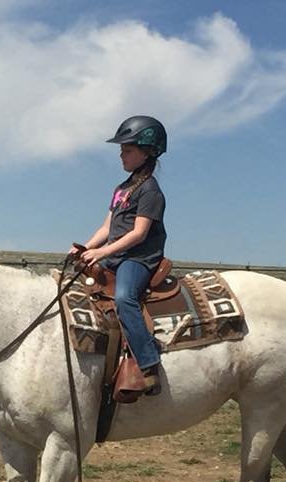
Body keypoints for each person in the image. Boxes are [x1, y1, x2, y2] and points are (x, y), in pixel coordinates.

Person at [72, 115, 168, 396]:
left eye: (127, 150)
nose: (121, 154)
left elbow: (138, 234)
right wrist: (86, 248)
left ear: (146, 152)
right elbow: (107, 227)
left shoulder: (151, 191)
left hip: (137, 258)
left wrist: (102, 252)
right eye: (121, 149)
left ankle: (148, 364)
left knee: (125, 297)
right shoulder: (122, 189)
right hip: (115, 254)